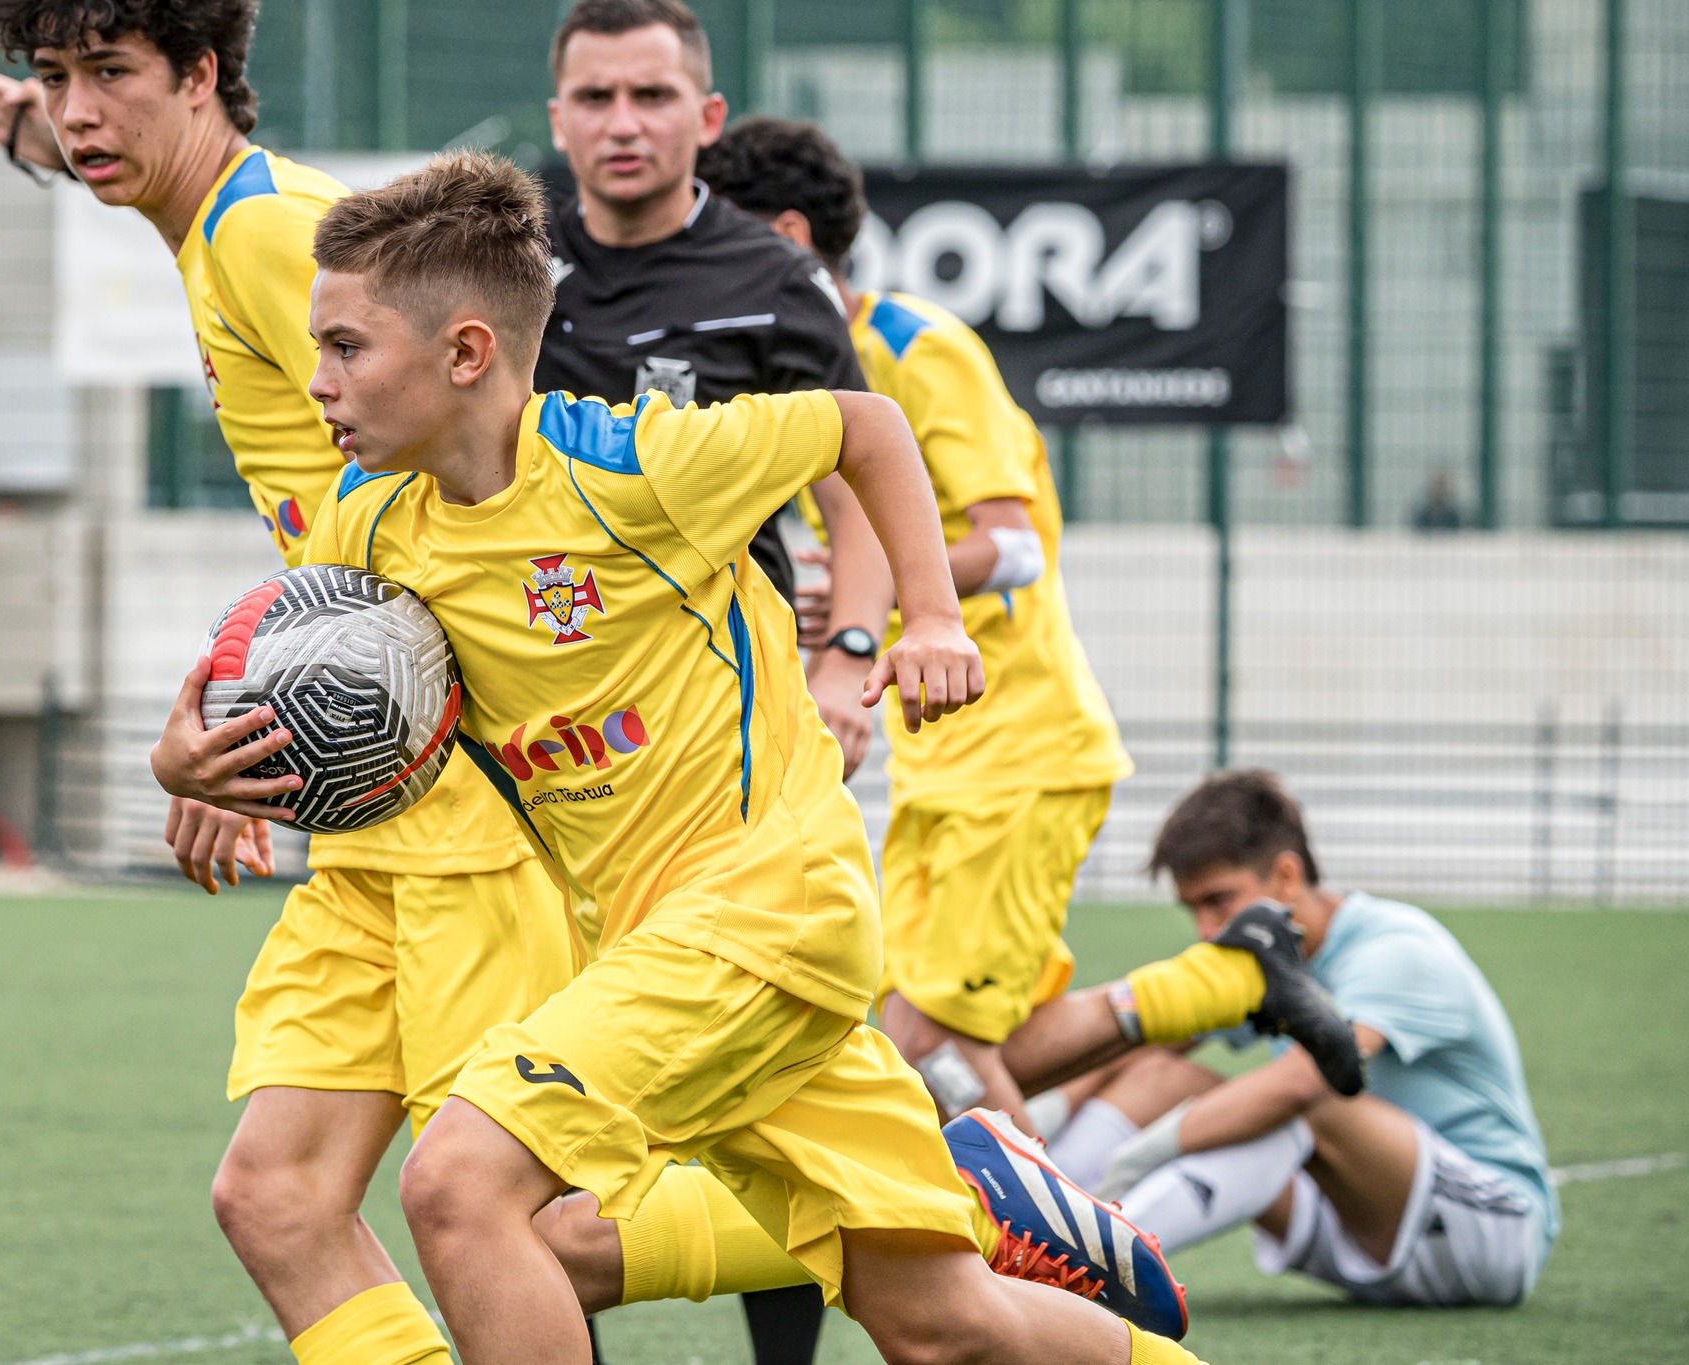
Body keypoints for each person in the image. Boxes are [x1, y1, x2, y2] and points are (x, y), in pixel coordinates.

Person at [176, 144, 1206, 1365]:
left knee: (459, 1181)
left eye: (346, 348)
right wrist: (205, 767)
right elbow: (308, 683)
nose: (316, 383)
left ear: (465, 353)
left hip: (766, 914)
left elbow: (864, 427)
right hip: (663, 943)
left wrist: (927, 618)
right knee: (942, 1326)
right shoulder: (369, 521)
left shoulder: (633, 469)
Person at [0, 8, 576, 1365]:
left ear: (203, 76)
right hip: (374, 797)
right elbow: (348, 545)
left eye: (111, 75)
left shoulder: (271, 235)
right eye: (57, 77)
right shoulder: (213, 224)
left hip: (467, 804)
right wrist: (267, 726)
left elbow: (490, 452)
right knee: (277, 1199)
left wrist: (260, 711)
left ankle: (917, 1210)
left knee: (522, 1219)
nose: (83, 109)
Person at [532, 6, 895, 1350]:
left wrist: (849, 657)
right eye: (594, 97)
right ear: (557, 115)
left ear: (707, 117)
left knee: (760, 1096)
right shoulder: (506, 264)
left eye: (649, 95)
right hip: (541, 746)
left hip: (724, 747)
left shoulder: (774, 281)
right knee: (529, 1109)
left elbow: (859, 478)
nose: (621, 123)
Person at [698, 117, 1133, 1131]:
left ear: (787, 237)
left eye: (715, 228)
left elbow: (1014, 547)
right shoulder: (788, 365)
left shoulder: (916, 348)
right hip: (937, 756)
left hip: (1019, 753)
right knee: (919, 1043)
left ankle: (1067, 1235)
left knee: (931, 1047)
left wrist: (880, 596)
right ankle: (1199, 998)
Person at [1040, 770, 1558, 1309]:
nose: (1206, 931)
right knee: (1159, 1077)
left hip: (1491, 1235)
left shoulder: (1396, 950)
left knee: (1304, 1097)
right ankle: (1033, 1239)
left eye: (1219, 901)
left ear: (1287, 876)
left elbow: (1301, 1086)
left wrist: (1131, 1163)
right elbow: (1137, 1045)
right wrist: (1038, 1122)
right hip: (1354, 1227)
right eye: (1193, 909)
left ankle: (1085, 1270)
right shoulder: (1260, 960)